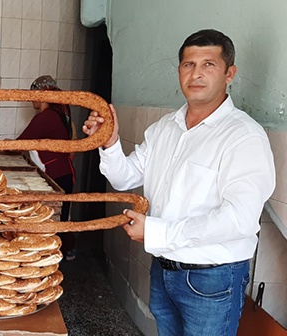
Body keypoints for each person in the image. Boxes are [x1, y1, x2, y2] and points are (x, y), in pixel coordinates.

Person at [82, 29, 275, 335]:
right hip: (164, 268)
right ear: (179, 71)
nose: (196, 74)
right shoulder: (165, 129)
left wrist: (157, 231)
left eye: (208, 64)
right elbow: (125, 177)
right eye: (188, 65)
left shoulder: (243, 136)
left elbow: (239, 218)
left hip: (213, 278)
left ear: (230, 73)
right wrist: (110, 142)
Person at [17, 75, 77, 261]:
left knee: (55, 218)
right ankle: (63, 252)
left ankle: (58, 256)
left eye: (33, 94)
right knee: (61, 215)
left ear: (42, 94)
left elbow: (21, 143)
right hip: (63, 172)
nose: (31, 98)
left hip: (56, 174)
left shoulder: (46, 117)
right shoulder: (59, 115)